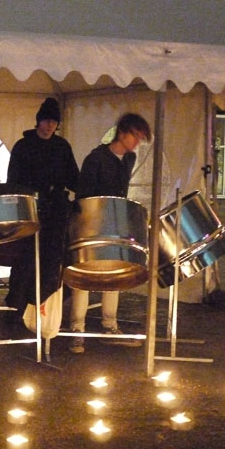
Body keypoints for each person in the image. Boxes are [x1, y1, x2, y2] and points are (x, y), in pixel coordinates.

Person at [68, 112, 152, 353]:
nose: (137, 142)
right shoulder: (95, 158)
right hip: (91, 224)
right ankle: (77, 330)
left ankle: (110, 325)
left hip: (114, 223)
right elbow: (84, 195)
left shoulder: (129, 159)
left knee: (115, 275)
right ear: (122, 132)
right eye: (135, 136)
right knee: (83, 277)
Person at [4, 97, 79, 321]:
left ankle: (42, 306)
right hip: (30, 210)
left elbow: (74, 178)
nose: (49, 126)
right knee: (26, 259)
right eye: (46, 121)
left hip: (56, 211)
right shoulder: (23, 146)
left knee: (52, 260)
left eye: (53, 122)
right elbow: (13, 180)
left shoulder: (62, 147)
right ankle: (17, 306)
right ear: (38, 121)